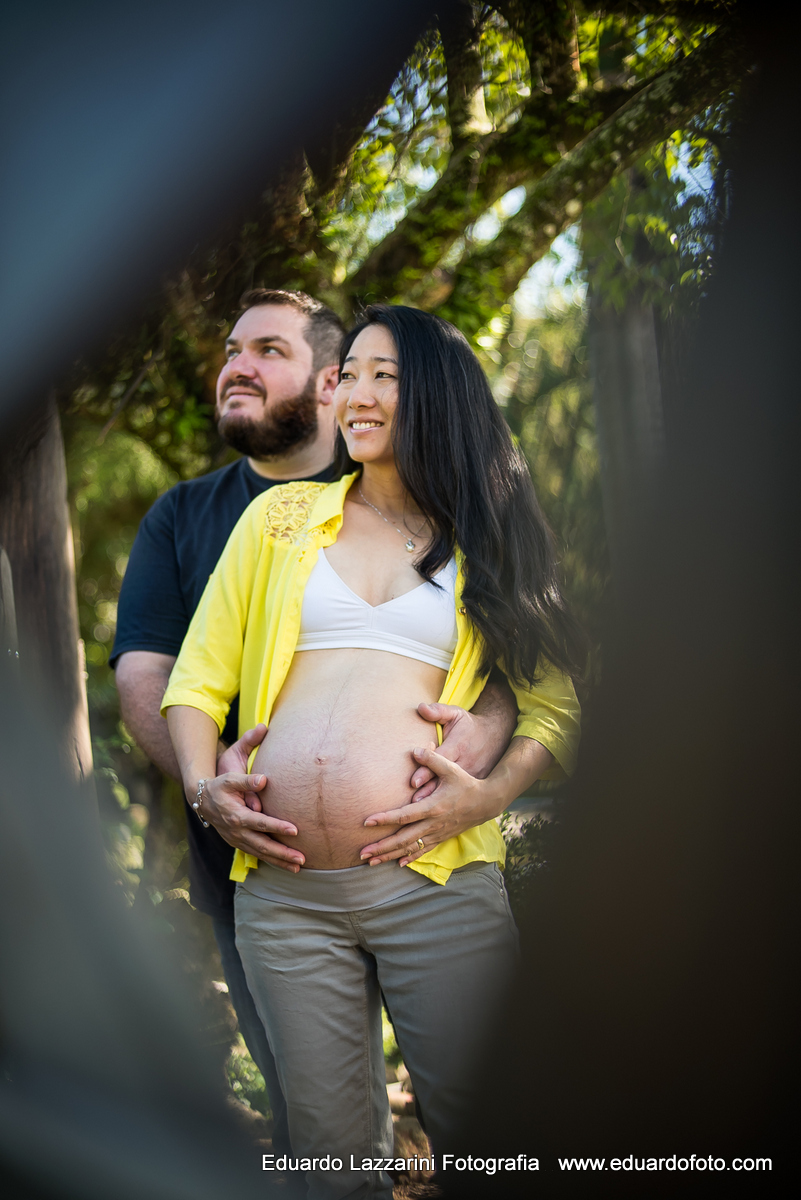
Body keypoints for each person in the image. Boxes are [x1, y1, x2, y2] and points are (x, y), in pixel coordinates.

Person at [162, 304, 583, 1199]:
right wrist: (204, 787)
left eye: (381, 376)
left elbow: (555, 703)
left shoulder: (489, 536)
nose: (353, 393)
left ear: (434, 392)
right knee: (331, 1158)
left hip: (435, 883)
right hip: (284, 899)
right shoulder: (279, 519)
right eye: (346, 373)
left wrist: (486, 796)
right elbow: (196, 678)